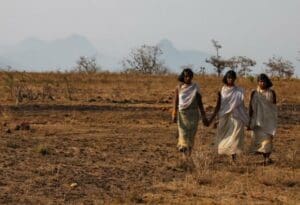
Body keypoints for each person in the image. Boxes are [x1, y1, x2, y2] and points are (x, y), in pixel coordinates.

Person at [209, 70, 249, 163]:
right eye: (228, 78)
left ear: (234, 79)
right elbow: (219, 105)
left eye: (232, 78)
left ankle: (233, 158)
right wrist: (216, 119)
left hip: (237, 116)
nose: (230, 79)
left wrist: (246, 119)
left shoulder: (239, 91)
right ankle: (227, 153)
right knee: (225, 136)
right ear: (226, 79)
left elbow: (242, 106)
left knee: (235, 137)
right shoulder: (222, 90)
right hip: (225, 116)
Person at [172, 68, 208, 162]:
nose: (187, 78)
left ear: (192, 77)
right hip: (182, 114)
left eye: (189, 76)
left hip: (193, 114)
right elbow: (176, 101)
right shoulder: (179, 87)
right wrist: (174, 113)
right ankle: (184, 153)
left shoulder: (195, 87)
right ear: (183, 77)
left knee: (191, 136)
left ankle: (188, 155)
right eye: (186, 76)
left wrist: (203, 116)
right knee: (183, 134)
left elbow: (200, 102)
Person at [248, 73, 277, 165]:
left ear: (267, 82)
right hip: (257, 120)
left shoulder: (271, 92)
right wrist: (249, 119)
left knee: (268, 139)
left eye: (263, 81)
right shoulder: (254, 93)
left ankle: (267, 158)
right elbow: (250, 106)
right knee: (260, 140)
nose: (262, 83)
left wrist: (273, 119)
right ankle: (265, 158)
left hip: (269, 120)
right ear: (258, 82)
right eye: (260, 81)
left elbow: (274, 107)